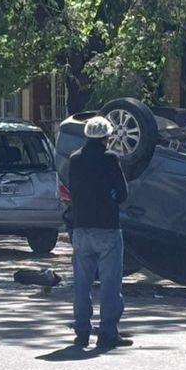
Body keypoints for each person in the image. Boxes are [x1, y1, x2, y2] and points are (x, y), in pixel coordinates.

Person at [67, 116, 131, 349]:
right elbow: (123, 193)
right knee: (110, 283)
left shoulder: (75, 160)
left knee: (82, 284)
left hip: (81, 227)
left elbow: (72, 190)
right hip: (107, 228)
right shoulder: (110, 159)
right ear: (106, 137)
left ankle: (82, 331)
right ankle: (107, 332)